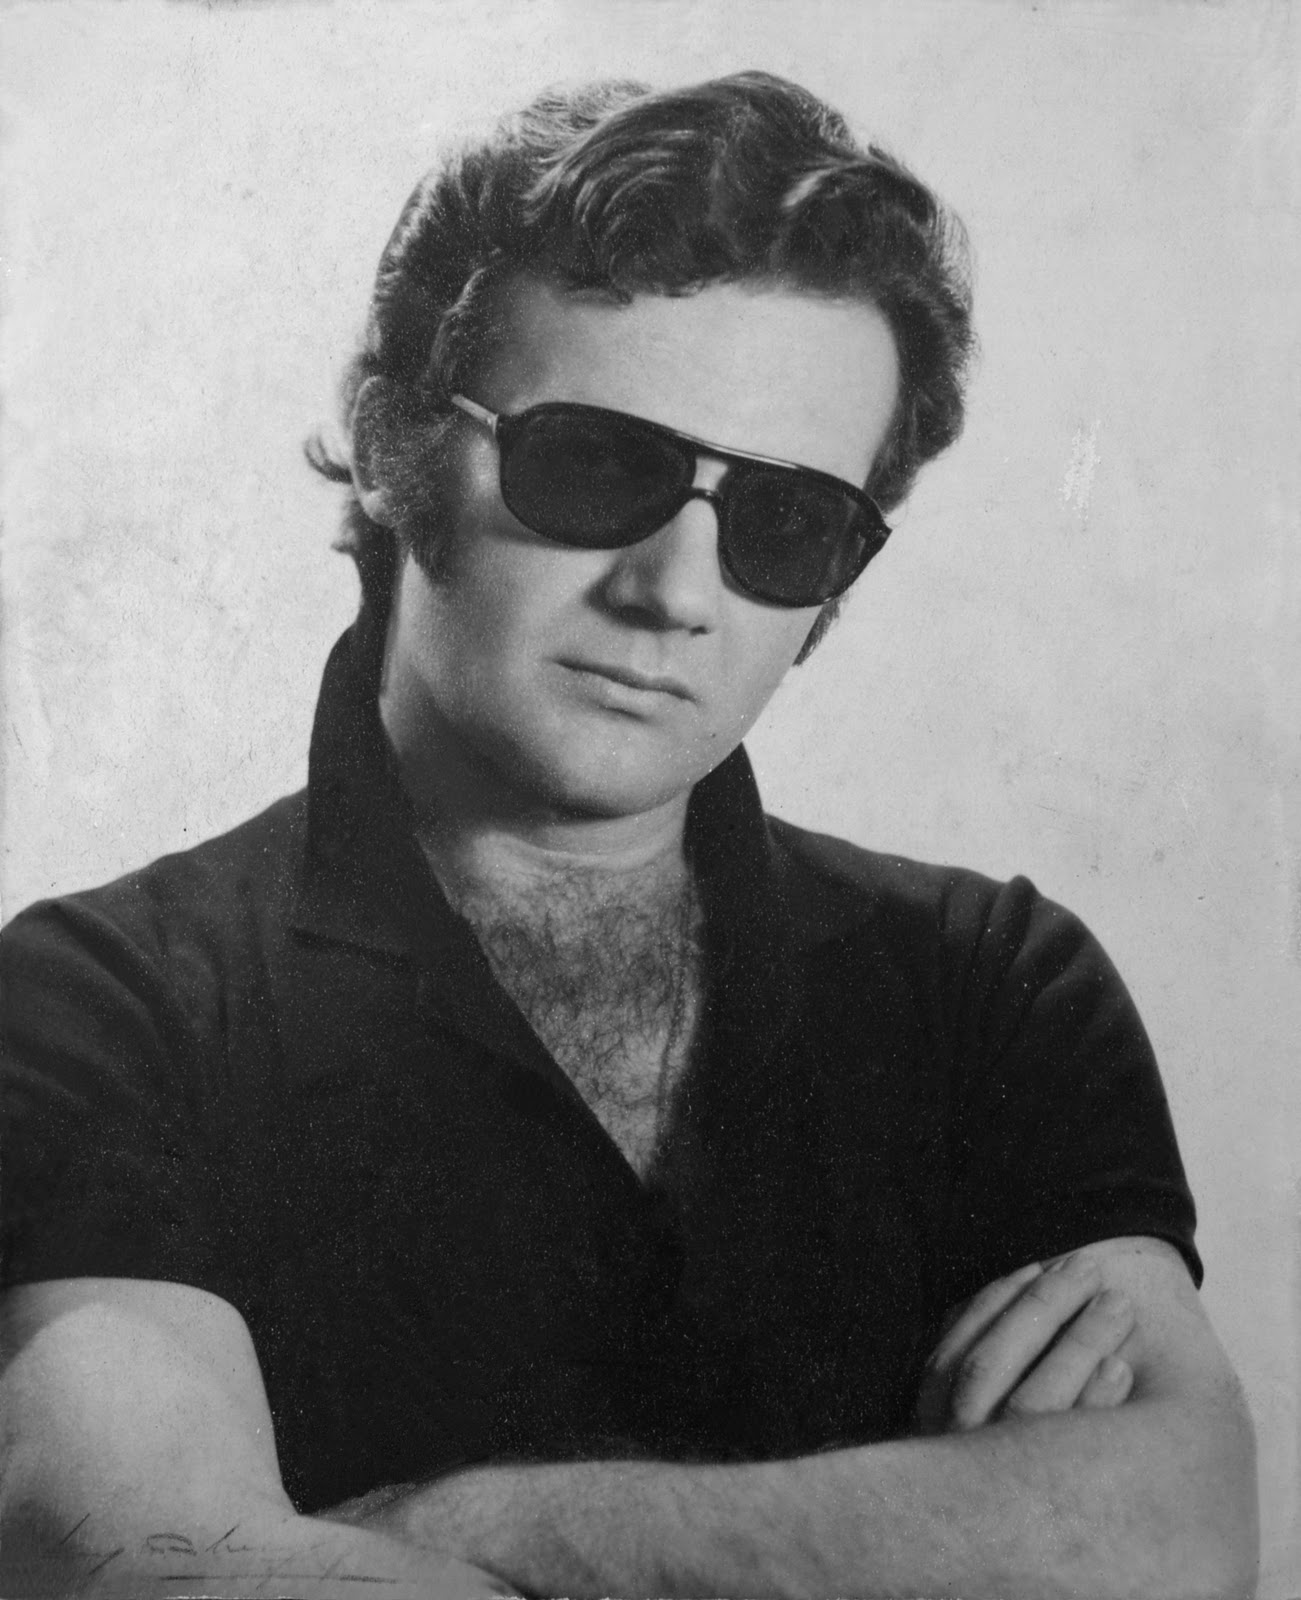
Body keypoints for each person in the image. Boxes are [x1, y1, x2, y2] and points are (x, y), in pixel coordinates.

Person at [0, 72, 1257, 1600]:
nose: (675, 591)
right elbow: (149, 1571)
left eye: (785, 521)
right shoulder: (103, 999)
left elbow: (1161, 1543)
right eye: (595, 463)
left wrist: (470, 1529)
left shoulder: (992, 982)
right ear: (393, 441)